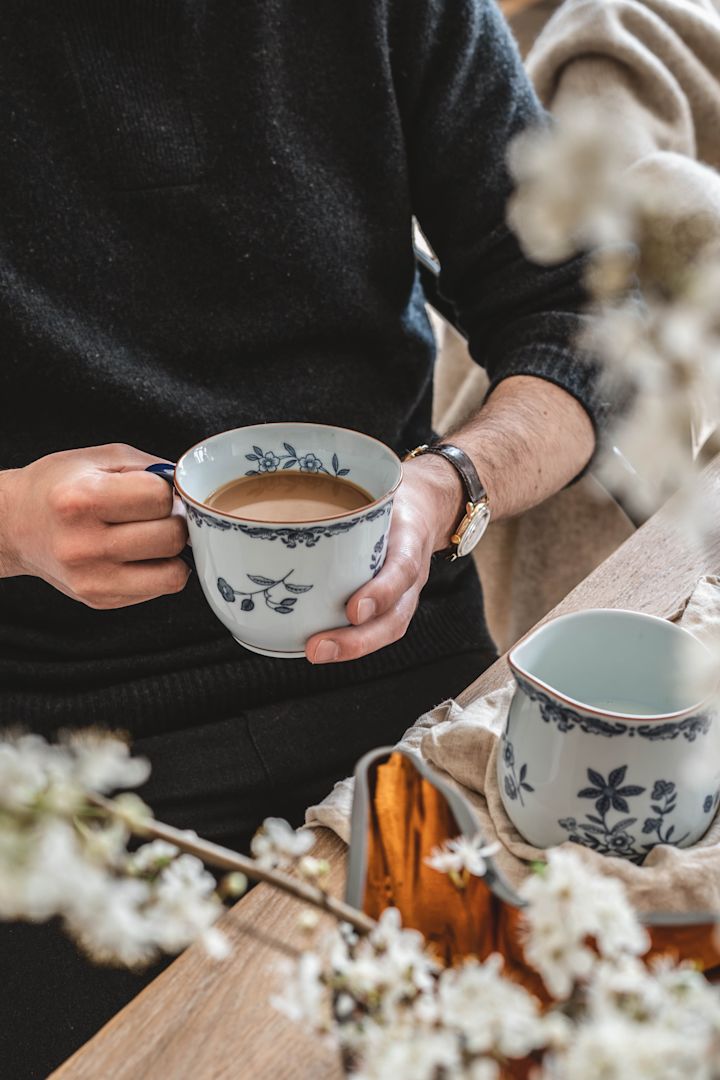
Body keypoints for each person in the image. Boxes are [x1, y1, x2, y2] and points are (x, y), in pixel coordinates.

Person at [0, 1, 601, 1075]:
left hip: (408, 688)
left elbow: (585, 319)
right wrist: (8, 524)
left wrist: (448, 489)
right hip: (57, 762)